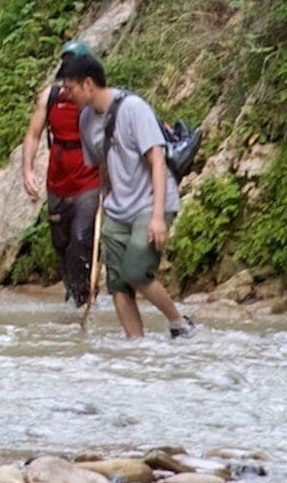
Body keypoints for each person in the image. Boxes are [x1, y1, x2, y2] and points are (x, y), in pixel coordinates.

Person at [67, 51, 196, 338]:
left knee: (136, 271)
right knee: (118, 284)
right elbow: (102, 166)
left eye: (70, 88)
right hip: (116, 208)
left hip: (150, 203)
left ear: (88, 84)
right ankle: (136, 348)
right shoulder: (86, 120)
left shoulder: (134, 108)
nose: (67, 95)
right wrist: (103, 203)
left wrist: (159, 217)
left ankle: (179, 323)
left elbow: (157, 160)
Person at [16, 41, 104, 318]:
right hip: (57, 181)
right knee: (62, 246)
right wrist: (27, 170)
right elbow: (33, 134)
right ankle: (74, 297)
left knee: (81, 239)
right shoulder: (50, 97)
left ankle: (82, 301)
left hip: (88, 180)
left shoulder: (94, 98)